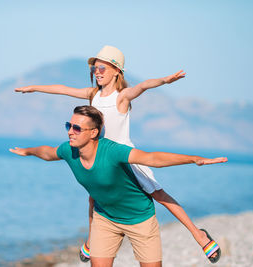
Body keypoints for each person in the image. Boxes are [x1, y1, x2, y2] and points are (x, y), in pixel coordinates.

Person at [15, 45, 221, 263]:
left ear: (117, 71)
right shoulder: (93, 94)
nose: (98, 72)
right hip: (99, 154)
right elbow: (62, 89)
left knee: (159, 195)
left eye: (102, 67)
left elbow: (143, 86)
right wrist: (34, 88)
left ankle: (199, 235)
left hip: (125, 157)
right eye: (95, 68)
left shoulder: (121, 97)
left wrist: (164, 80)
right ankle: (91, 240)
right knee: (95, 197)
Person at [9, 105, 226, 267]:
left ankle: (200, 236)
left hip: (139, 219)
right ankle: (91, 241)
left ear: (93, 133)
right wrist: (27, 151)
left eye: (76, 128)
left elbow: (151, 158)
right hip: (105, 219)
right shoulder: (69, 150)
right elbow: (47, 152)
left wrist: (194, 159)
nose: (70, 132)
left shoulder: (112, 151)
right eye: (69, 126)